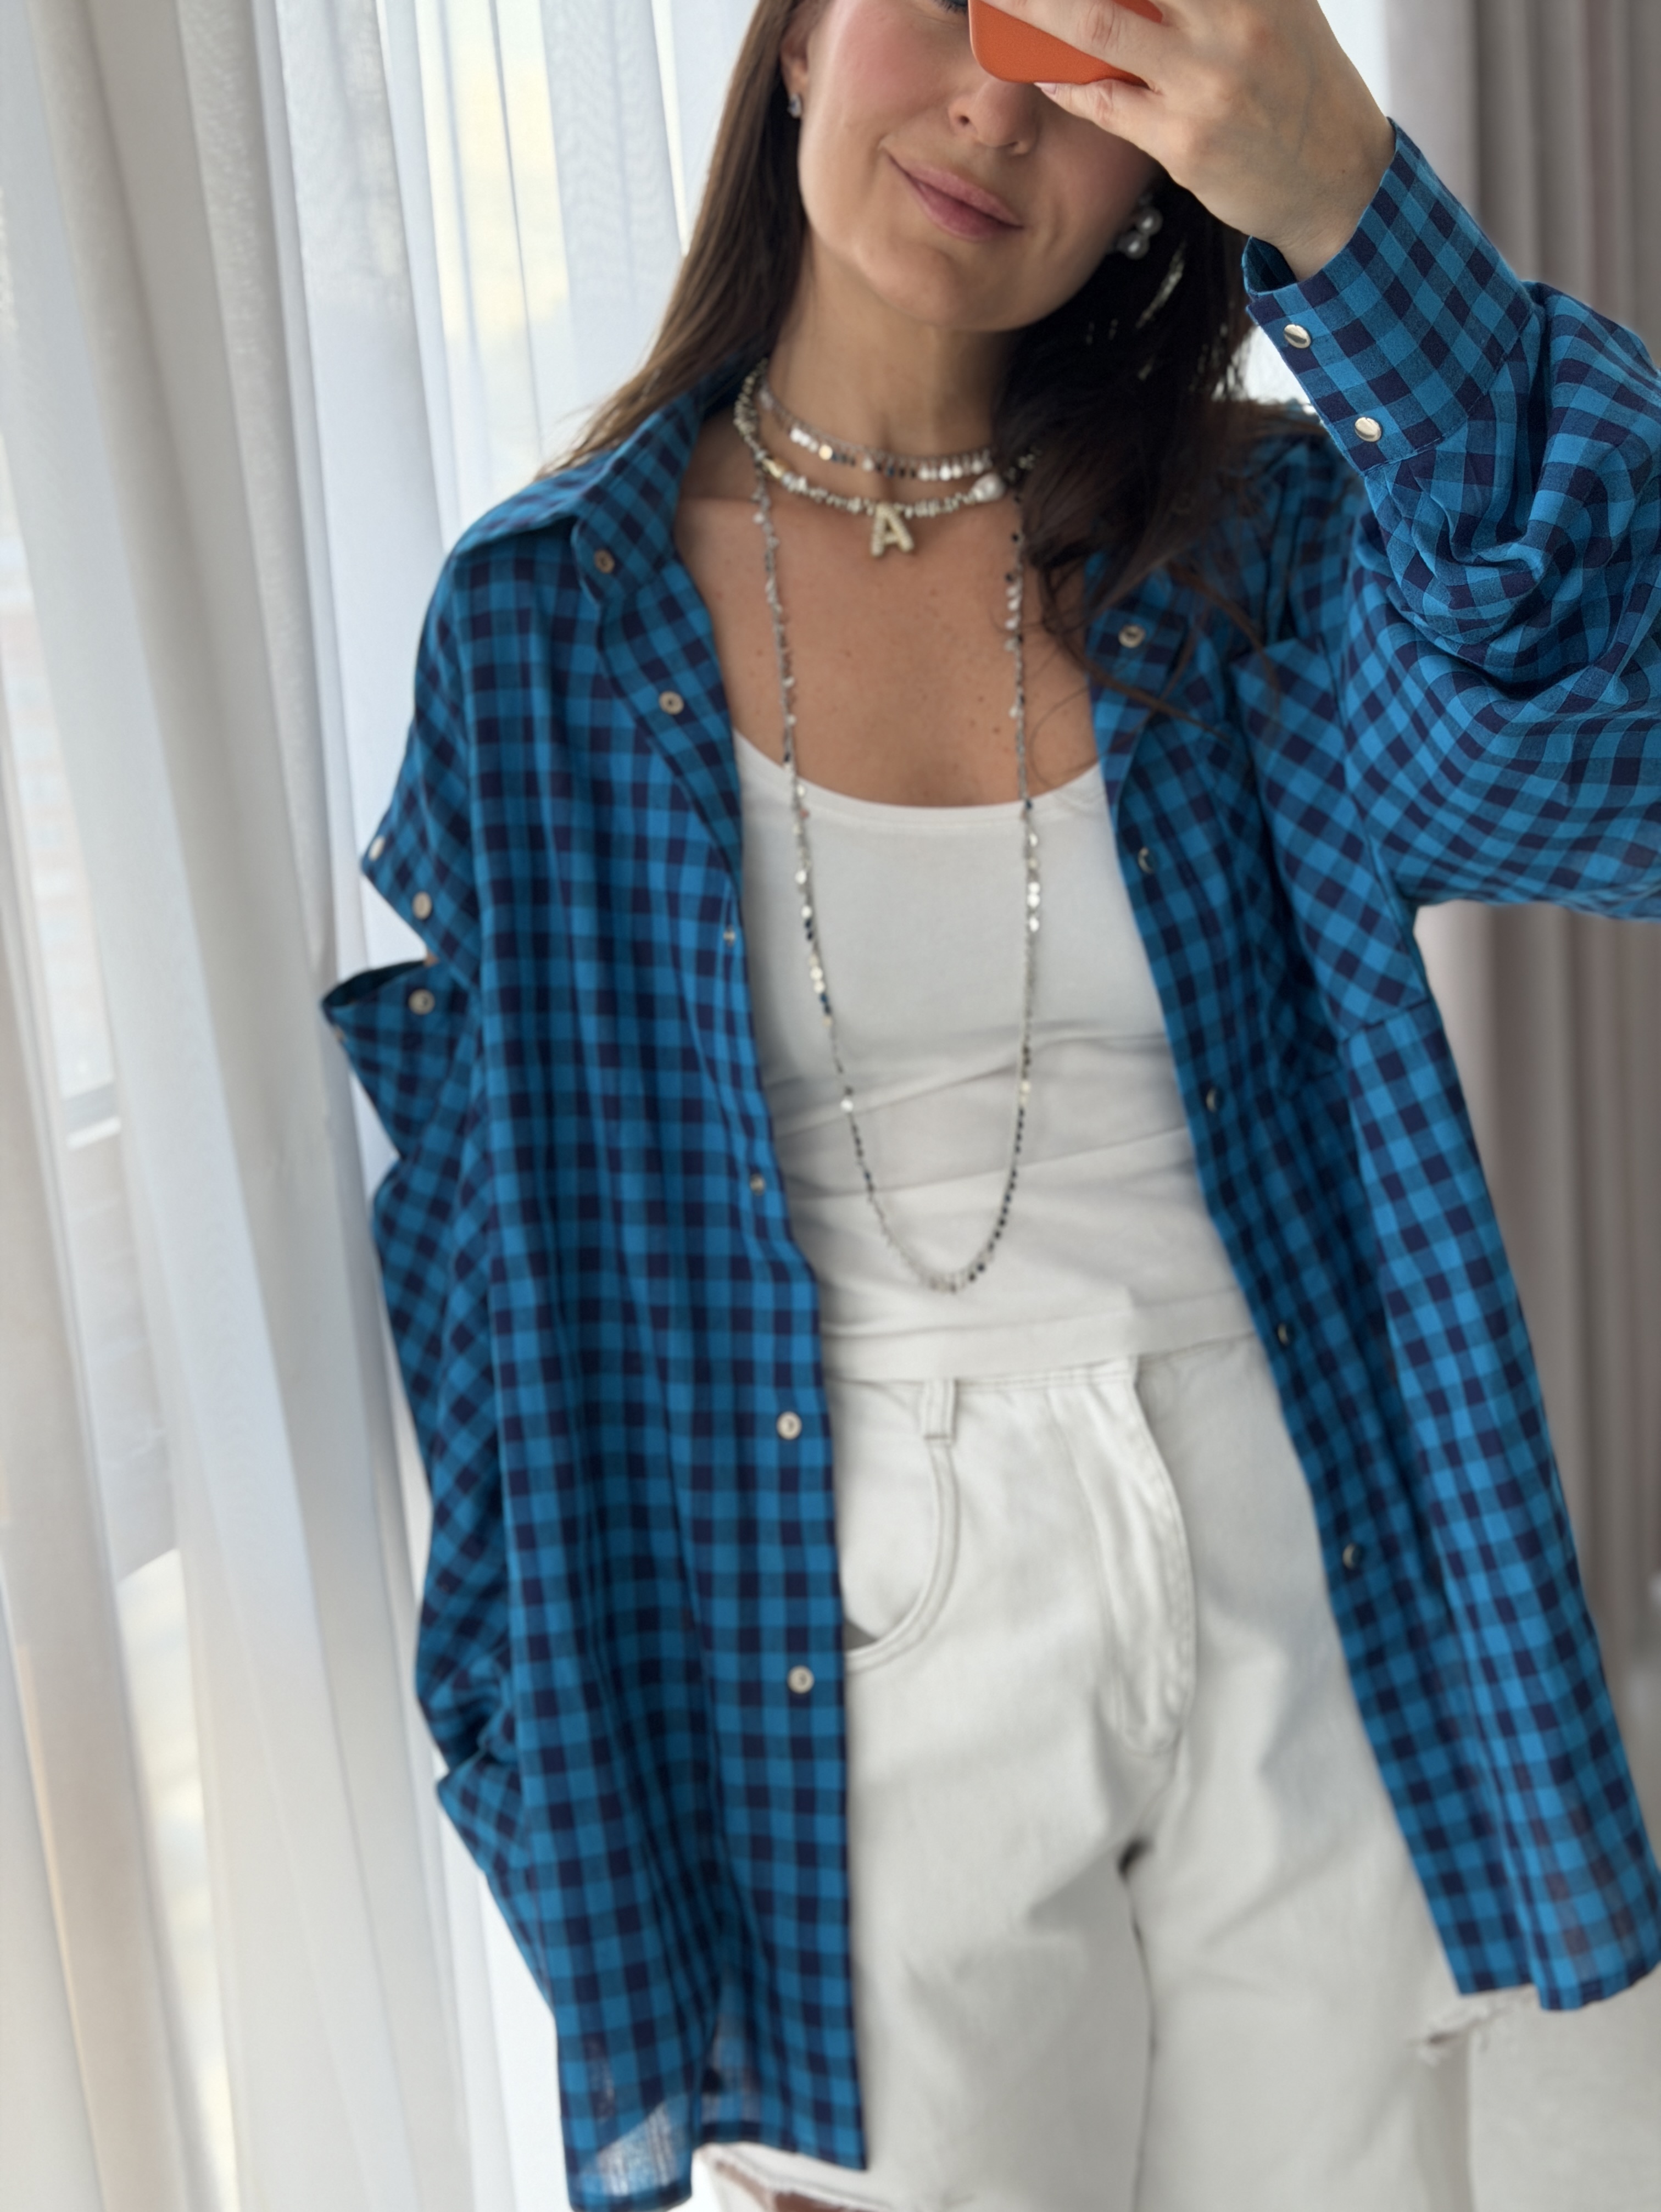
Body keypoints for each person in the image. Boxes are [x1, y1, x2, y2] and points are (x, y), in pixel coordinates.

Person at [324, 2, 1661, 2208]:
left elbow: (1614, 726)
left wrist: (1351, 205)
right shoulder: (546, 623)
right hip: (841, 1599)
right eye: (945, 10)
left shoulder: (1259, 548)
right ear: (791, 46)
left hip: (1294, 1529)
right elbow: (498, 1286)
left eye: (1084, 63)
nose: (990, 110)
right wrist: (563, 1795)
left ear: (1164, 172)